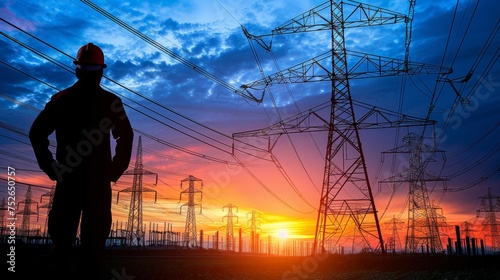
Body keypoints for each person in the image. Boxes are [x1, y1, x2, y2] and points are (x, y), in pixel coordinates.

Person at [29, 42, 134, 278]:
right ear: (101, 71)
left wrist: (51, 168)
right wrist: (113, 170)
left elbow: (37, 133)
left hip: (68, 180)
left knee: (62, 244)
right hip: (97, 183)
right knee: (94, 247)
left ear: (77, 69)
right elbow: (126, 137)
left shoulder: (61, 100)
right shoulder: (110, 102)